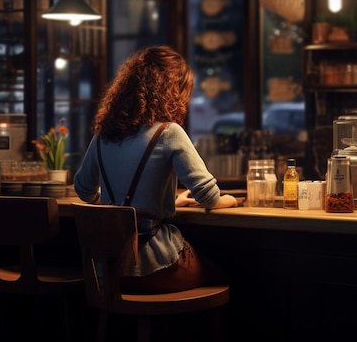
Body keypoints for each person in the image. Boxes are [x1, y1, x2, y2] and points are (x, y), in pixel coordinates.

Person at [73, 45, 237, 294]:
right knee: (226, 275)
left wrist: (119, 209)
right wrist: (231, 200)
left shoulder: (102, 136)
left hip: (109, 269)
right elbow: (208, 197)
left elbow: (84, 191)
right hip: (154, 266)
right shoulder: (168, 132)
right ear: (173, 91)